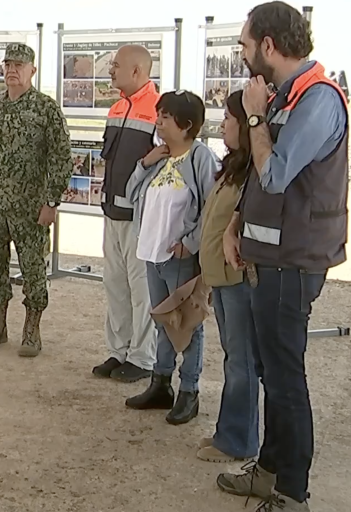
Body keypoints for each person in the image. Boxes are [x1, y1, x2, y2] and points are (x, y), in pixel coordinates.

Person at [217, 3, 348, 511]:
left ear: (268, 45)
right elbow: (260, 177)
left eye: (246, 46)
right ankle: (269, 470)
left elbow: (274, 172)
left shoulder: (318, 100)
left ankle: (293, 492)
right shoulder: (289, 95)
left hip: (293, 263)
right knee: (272, 369)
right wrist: (235, 224)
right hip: (268, 256)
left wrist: (253, 115)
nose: (244, 55)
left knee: (286, 377)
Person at [0, 43, 72, 358]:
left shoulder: (45, 109)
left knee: (33, 268)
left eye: (19, 65)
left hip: (30, 208)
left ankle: (31, 330)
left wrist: (51, 201)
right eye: (8, 64)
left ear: (32, 70)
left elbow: (61, 158)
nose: (12, 70)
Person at [123, 90, 217, 425]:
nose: (159, 122)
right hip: (152, 252)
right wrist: (144, 163)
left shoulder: (200, 158)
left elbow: (212, 205)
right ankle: (160, 383)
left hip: (179, 257)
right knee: (164, 320)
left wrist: (191, 242)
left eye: (165, 117)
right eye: (159, 115)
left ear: (186, 124)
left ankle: (188, 391)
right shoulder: (160, 156)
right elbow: (131, 194)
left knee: (187, 323)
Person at [197, 90, 259, 463]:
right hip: (220, 278)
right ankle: (230, 432)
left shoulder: (254, 171)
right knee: (234, 358)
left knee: (242, 361)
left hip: (238, 278)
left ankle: (238, 440)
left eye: (230, 119)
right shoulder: (233, 166)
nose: (223, 124)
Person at [91, 45, 160, 383]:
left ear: (137, 71)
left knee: (140, 288)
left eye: (116, 66)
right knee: (115, 285)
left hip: (140, 218)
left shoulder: (159, 110)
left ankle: (143, 358)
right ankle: (118, 351)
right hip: (111, 212)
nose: (111, 71)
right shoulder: (117, 108)